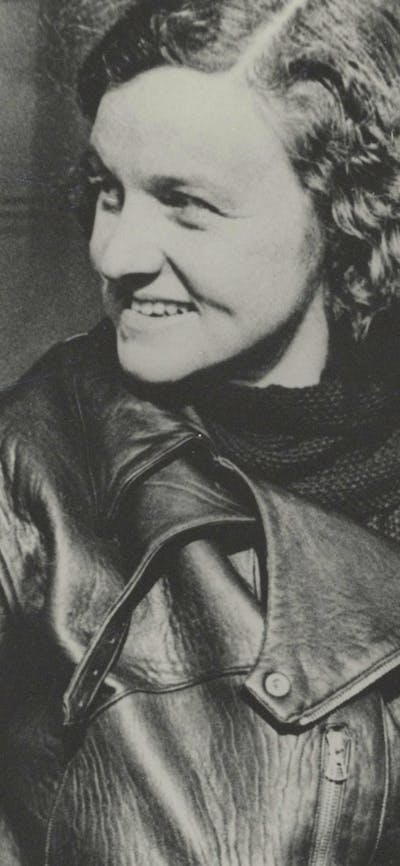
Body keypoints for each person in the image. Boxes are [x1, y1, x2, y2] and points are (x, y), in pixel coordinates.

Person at [1, 0, 400, 863]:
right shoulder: (28, 473)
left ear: (344, 211)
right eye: (107, 190)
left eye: (185, 204)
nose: (113, 252)